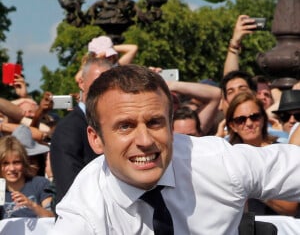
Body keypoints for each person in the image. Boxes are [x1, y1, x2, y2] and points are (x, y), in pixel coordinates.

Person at [50, 65, 300, 235]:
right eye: (125, 126)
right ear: (96, 140)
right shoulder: (85, 210)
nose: (145, 140)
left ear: (171, 126)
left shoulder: (217, 161)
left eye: (155, 122)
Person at [50, 57, 112, 205]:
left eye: (110, 82)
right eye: (98, 81)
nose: (104, 87)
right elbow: (70, 190)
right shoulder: (68, 130)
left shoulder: (113, 124)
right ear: (81, 83)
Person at [226, 91, 298, 216]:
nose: (249, 123)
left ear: (264, 119)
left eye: (254, 117)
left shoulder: (280, 153)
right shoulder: (227, 158)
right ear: (232, 126)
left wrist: (251, 184)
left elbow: (290, 207)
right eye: (241, 120)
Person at [0, 136, 54, 218]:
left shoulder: (40, 184)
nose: (12, 168)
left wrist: (32, 205)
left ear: (24, 163)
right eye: (5, 163)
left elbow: (52, 217)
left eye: (16, 162)